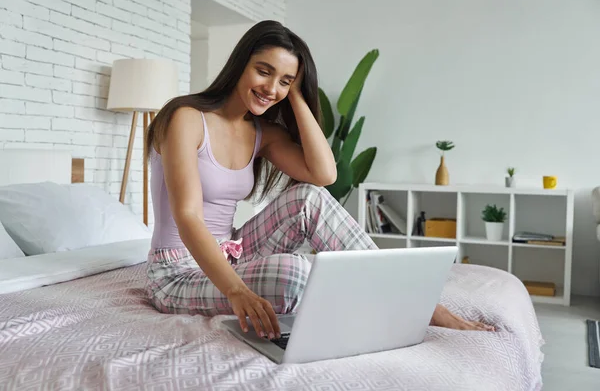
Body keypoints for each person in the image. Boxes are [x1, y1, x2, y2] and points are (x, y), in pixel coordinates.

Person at [143, 20, 494, 341]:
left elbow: (324, 175)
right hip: (177, 271)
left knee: (308, 198)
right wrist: (236, 290)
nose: (270, 88)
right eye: (263, 72)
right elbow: (188, 216)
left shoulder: (261, 133)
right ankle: (395, 302)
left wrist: (295, 95)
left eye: (284, 80)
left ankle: (421, 304)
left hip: (233, 250)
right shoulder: (185, 118)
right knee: (295, 272)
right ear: (240, 65)